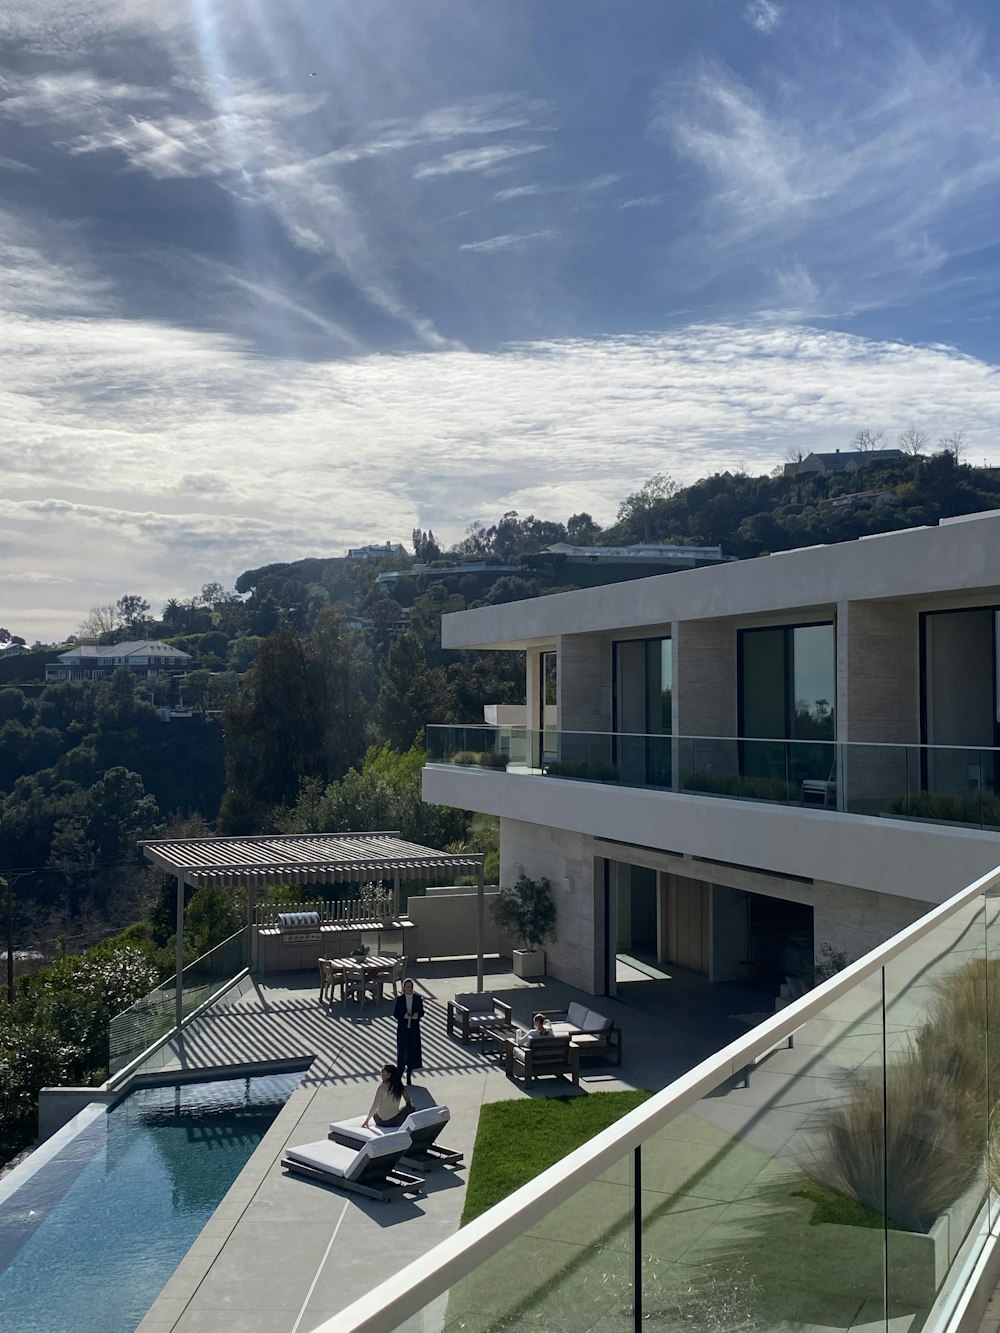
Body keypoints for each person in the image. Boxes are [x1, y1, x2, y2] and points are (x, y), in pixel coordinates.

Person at [393, 977, 424, 1085]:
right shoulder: (400, 999)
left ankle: (409, 1076)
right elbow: (396, 1013)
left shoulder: (417, 998)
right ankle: (399, 1076)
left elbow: (421, 1012)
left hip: (413, 1030)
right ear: (404, 988)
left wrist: (417, 1015)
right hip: (403, 1030)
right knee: (402, 1053)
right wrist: (404, 1016)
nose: (409, 989)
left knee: (412, 1052)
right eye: (407, 987)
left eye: (411, 987)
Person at [362, 1064, 412, 1129]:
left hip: (379, 1121)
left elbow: (375, 1105)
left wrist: (367, 1120)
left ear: (390, 1075)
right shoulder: (399, 1086)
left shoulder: (382, 1087)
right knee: (411, 1107)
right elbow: (408, 1101)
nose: (382, 1075)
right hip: (393, 1121)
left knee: (376, 1113)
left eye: (384, 1074)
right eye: (381, 1073)